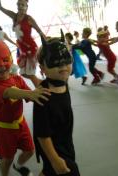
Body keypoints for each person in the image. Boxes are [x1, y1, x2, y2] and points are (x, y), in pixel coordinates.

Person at [0, 41, 50, 176]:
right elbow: (8, 92)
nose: (2, 65)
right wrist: (30, 94)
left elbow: (32, 94)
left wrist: (46, 86)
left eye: (5, 60)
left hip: (21, 123)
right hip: (4, 129)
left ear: (11, 59)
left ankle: (18, 165)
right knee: (7, 158)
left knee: (30, 150)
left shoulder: (17, 79)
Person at [33, 33, 81, 176]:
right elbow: (42, 134)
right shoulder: (43, 95)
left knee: (48, 172)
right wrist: (54, 159)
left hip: (65, 142)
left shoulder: (62, 83)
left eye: (67, 61)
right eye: (55, 62)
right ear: (43, 68)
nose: (63, 66)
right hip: (54, 150)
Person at [0, 0, 46, 87]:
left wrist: (47, 41)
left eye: (23, 5)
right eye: (19, 4)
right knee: (23, 73)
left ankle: (40, 91)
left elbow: (40, 31)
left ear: (27, 7)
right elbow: (1, 8)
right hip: (22, 50)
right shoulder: (14, 16)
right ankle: (43, 84)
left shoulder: (29, 18)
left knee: (30, 74)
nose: (21, 6)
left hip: (31, 48)